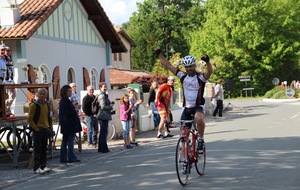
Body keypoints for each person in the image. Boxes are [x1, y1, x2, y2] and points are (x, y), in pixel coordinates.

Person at [154, 47, 213, 152]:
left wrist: (207, 62)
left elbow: (210, 71)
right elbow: (168, 65)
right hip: (186, 108)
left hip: (198, 106)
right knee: (183, 136)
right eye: (186, 67)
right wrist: (159, 54)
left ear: (194, 65)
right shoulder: (182, 76)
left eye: (190, 66)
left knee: (199, 119)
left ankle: (200, 139)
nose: (189, 69)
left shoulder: (200, 77)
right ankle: (185, 160)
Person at [28, 88, 53, 174]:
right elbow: (30, 118)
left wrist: (50, 128)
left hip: (45, 129)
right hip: (38, 130)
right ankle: (36, 167)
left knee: (44, 149)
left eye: (44, 94)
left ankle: (43, 165)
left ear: (46, 95)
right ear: (37, 95)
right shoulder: (34, 105)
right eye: (40, 94)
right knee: (37, 149)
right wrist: (35, 128)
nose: (42, 95)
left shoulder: (47, 105)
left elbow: (50, 118)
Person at [59, 85, 82, 163]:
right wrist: (75, 108)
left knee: (65, 141)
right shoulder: (66, 101)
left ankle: (63, 158)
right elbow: (70, 113)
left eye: (70, 91)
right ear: (64, 92)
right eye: (68, 91)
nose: (70, 92)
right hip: (69, 124)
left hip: (66, 124)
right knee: (70, 141)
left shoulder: (64, 101)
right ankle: (71, 157)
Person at [97, 82, 113, 153]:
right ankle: (103, 148)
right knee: (104, 132)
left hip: (104, 115)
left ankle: (102, 148)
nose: (106, 88)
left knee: (103, 132)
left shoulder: (104, 95)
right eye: (104, 86)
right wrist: (110, 107)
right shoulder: (102, 96)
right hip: (103, 116)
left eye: (106, 86)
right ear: (100, 87)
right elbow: (103, 106)